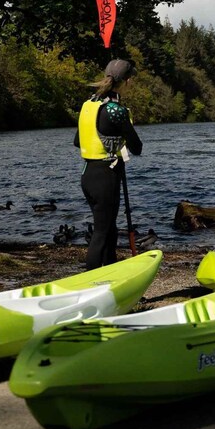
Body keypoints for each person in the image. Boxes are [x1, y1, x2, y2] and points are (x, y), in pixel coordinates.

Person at [74, 58, 143, 270]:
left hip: (88, 175)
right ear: (128, 81)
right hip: (106, 177)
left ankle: (110, 271)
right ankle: (89, 280)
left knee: (108, 228)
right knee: (102, 233)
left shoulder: (89, 105)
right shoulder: (116, 110)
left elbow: (78, 141)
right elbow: (137, 147)